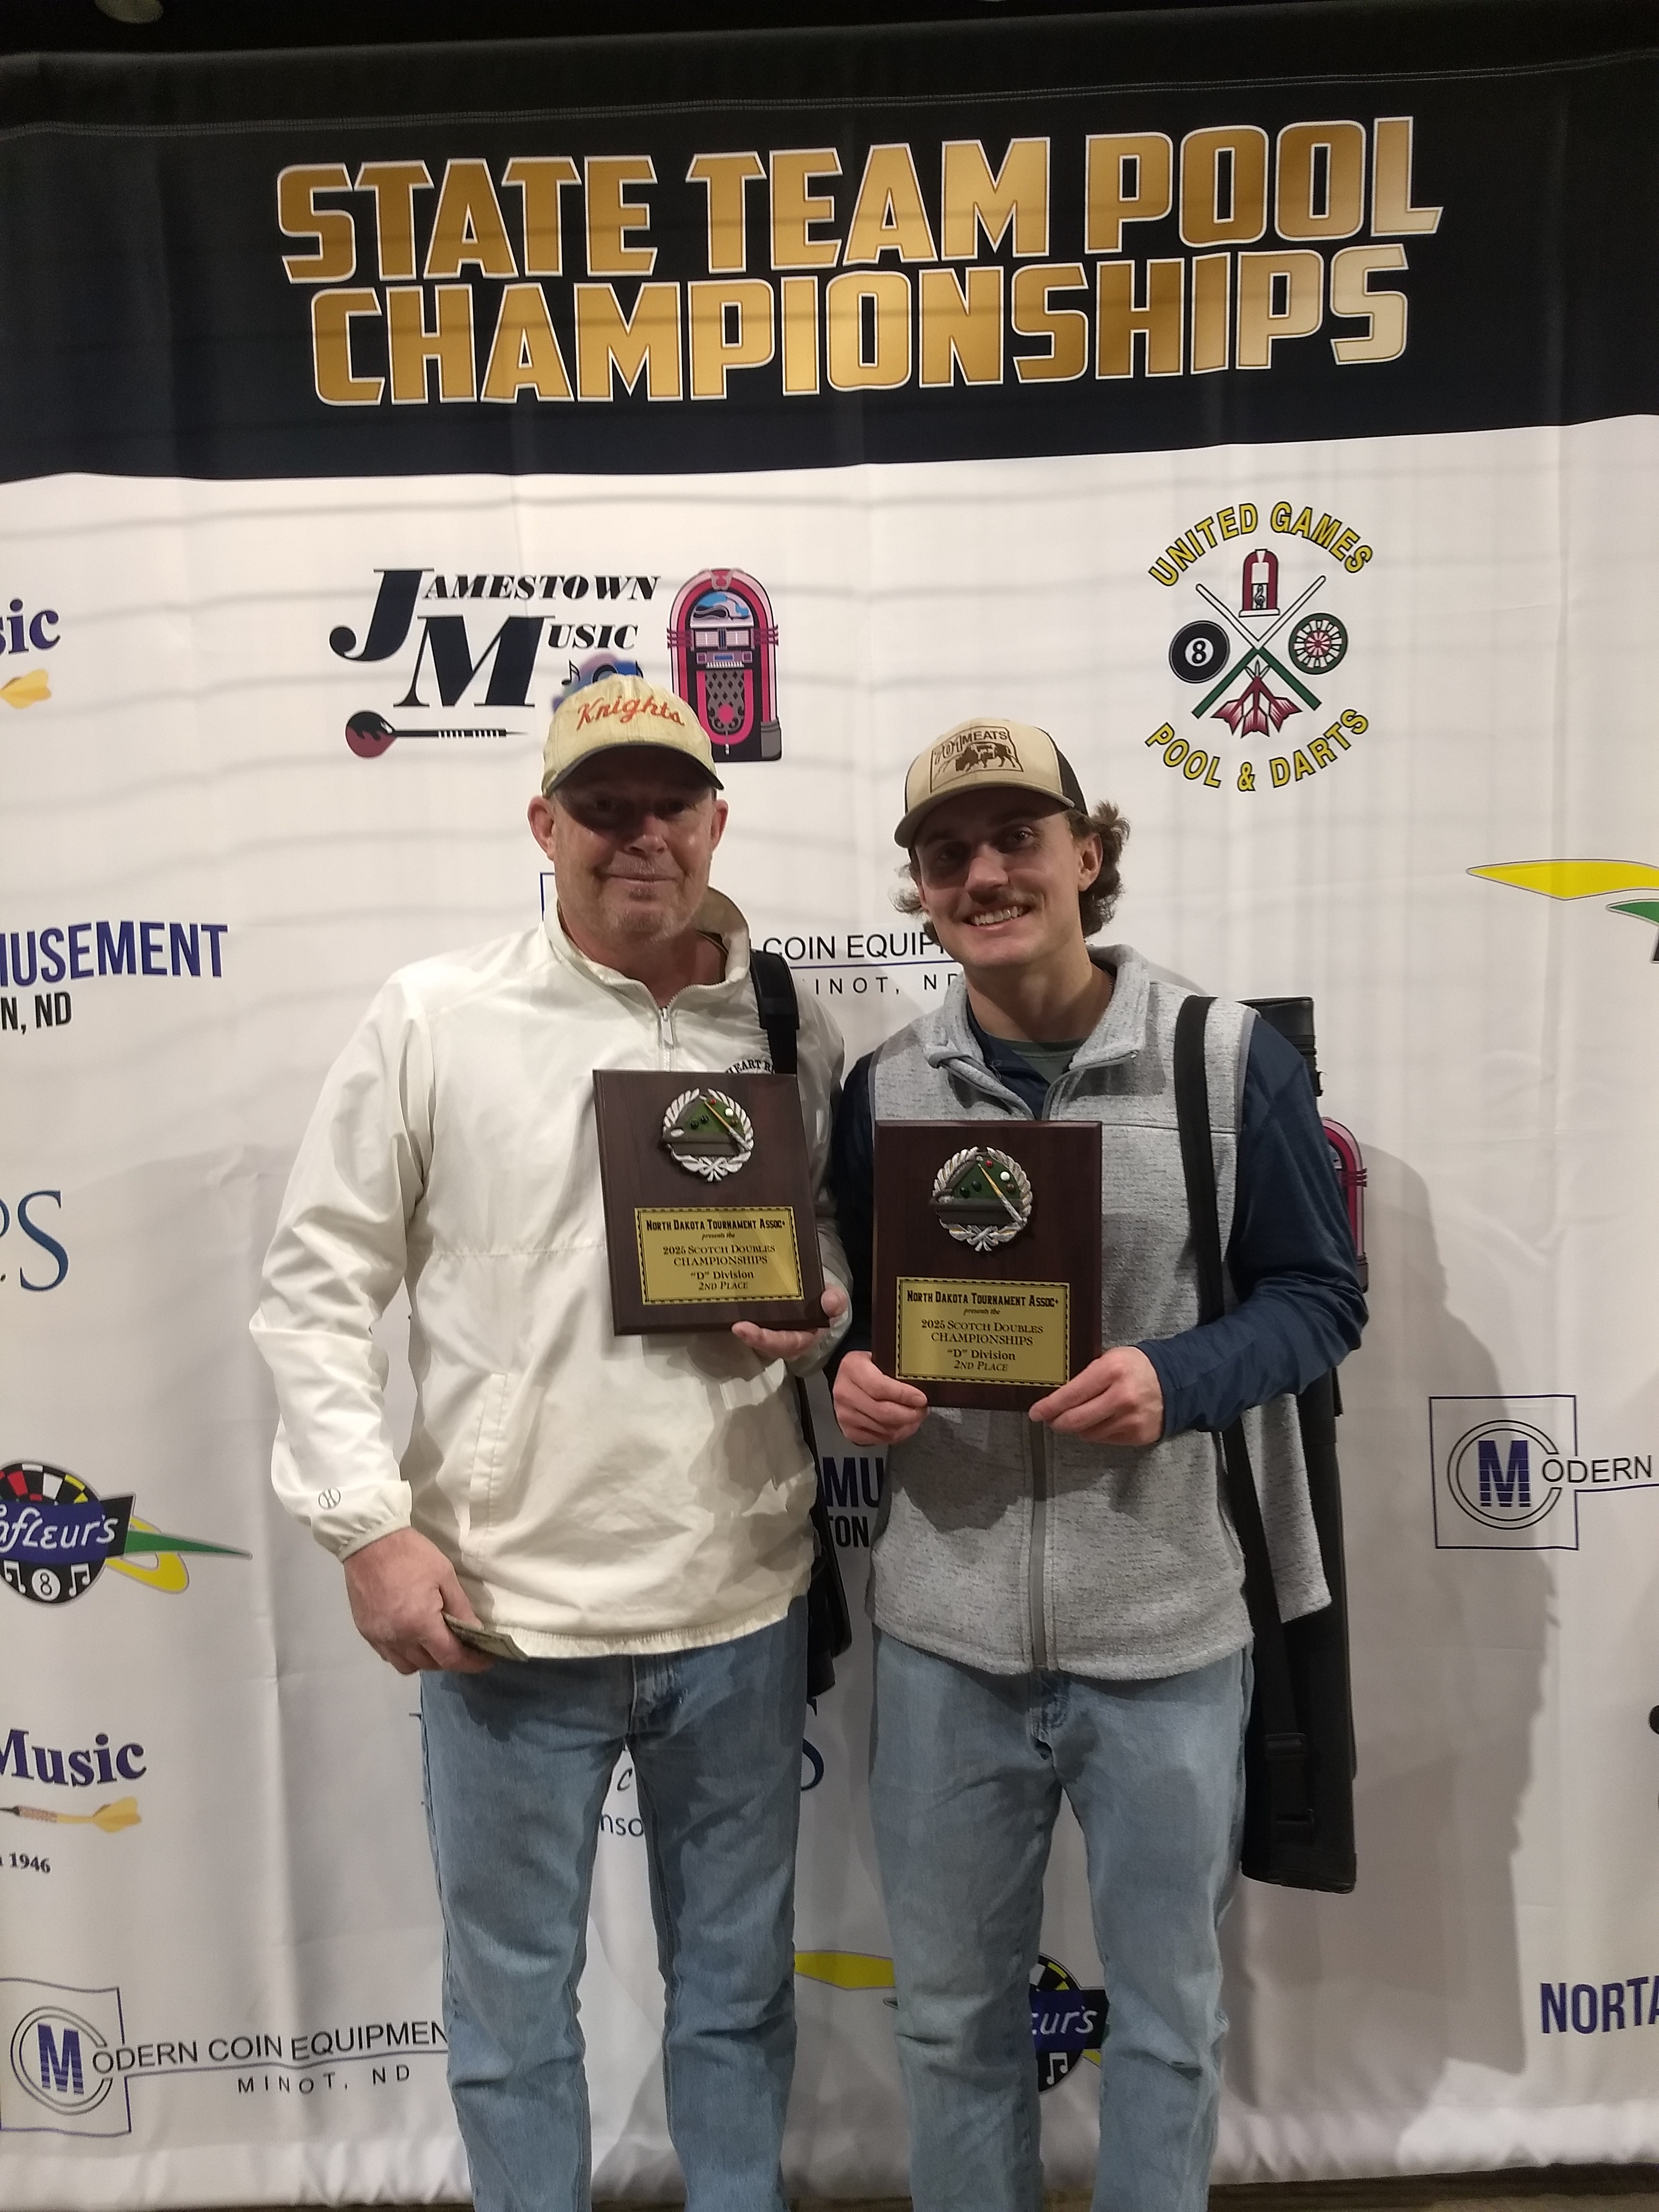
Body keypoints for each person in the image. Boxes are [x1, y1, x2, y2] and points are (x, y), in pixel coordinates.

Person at [251, 673, 848, 2212]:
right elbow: (316, 1293)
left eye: (671, 805)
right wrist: (367, 1525)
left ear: (718, 821)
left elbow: (837, 1255)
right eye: (603, 805)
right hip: (504, 1617)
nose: (641, 835)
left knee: (738, 2001)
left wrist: (825, 1304)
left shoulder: (789, 1023)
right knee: (514, 2016)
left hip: (740, 1601)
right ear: (545, 824)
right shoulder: (435, 1016)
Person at [831, 716, 1365, 2212]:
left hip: (1168, 1638)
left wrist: (1179, 1381)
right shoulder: (883, 1089)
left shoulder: (1223, 1058)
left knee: (1172, 2028)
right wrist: (848, 1369)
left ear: (1089, 853)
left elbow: (1321, 1298)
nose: (986, 875)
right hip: (946, 1642)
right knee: (949, 2025)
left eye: (1019, 839)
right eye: (949, 854)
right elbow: (851, 1310)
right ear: (921, 888)